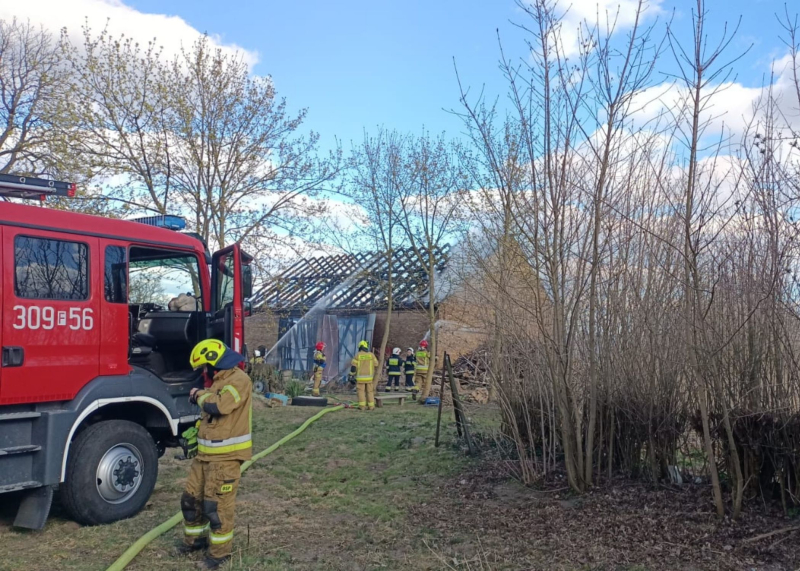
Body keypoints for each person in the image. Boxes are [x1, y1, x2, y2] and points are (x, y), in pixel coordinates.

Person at [178, 339, 252, 569]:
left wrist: (198, 395)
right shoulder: (218, 381)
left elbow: (219, 406)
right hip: (204, 457)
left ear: (213, 362)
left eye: (204, 367)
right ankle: (195, 541)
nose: (204, 372)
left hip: (225, 459)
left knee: (216, 508)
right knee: (191, 500)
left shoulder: (239, 380)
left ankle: (219, 554)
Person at [349, 340, 379, 410]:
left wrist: (351, 375)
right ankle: (371, 406)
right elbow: (376, 364)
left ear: (360, 347)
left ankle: (362, 406)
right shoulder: (371, 355)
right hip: (369, 378)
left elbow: (353, 367)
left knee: (361, 392)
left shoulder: (358, 355)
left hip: (360, 378)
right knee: (370, 392)